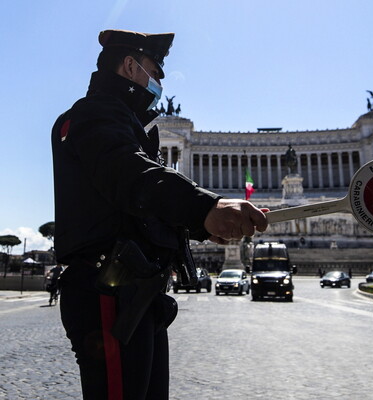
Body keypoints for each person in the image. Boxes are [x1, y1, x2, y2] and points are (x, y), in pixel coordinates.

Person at [51, 29, 268, 400]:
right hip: (109, 288)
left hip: (135, 292)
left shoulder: (123, 122)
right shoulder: (94, 114)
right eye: (154, 71)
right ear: (131, 66)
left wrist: (199, 225)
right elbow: (129, 177)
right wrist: (204, 208)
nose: (157, 83)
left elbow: (136, 208)